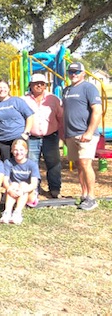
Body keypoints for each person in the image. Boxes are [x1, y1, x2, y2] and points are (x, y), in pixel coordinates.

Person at [63, 62, 103, 211]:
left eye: (76, 72)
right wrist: (64, 133)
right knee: (80, 166)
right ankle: (84, 194)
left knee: (86, 164)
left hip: (86, 134)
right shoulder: (66, 90)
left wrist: (89, 132)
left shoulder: (89, 88)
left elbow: (97, 111)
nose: (73, 74)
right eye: (71, 72)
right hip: (71, 134)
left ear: (83, 73)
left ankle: (92, 198)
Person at [22, 73, 63, 198]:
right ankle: (34, 189)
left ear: (45, 85)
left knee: (54, 164)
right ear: (30, 85)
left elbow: (60, 117)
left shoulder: (54, 99)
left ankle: (55, 189)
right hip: (32, 137)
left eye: (42, 83)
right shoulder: (23, 100)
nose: (39, 86)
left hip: (51, 136)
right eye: (36, 83)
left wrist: (61, 136)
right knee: (32, 164)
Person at [0, 80, 34, 162]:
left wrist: (26, 133)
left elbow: (29, 116)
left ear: (8, 89)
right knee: (6, 165)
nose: (2, 90)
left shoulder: (16, 101)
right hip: (2, 140)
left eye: (4, 87)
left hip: (18, 137)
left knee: (20, 163)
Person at [0, 139, 40, 225]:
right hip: (13, 191)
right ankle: (7, 212)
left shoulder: (32, 165)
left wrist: (22, 190)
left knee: (23, 184)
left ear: (26, 151)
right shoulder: (8, 163)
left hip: (29, 193)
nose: (18, 152)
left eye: (21, 150)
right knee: (13, 184)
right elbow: (5, 180)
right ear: (12, 151)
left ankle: (17, 213)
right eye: (16, 150)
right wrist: (9, 189)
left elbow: (34, 184)